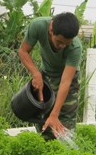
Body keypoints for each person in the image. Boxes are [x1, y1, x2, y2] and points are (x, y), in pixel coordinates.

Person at [18, 12, 83, 140]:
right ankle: (46, 151)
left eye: (66, 43)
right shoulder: (38, 26)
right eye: (59, 42)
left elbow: (65, 82)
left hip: (68, 79)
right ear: (51, 29)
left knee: (65, 123)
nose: (62, 46)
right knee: (43, 119)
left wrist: (55, 114)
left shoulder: (75, 47)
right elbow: (23, 51)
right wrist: (36, 74)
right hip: (46, 75)